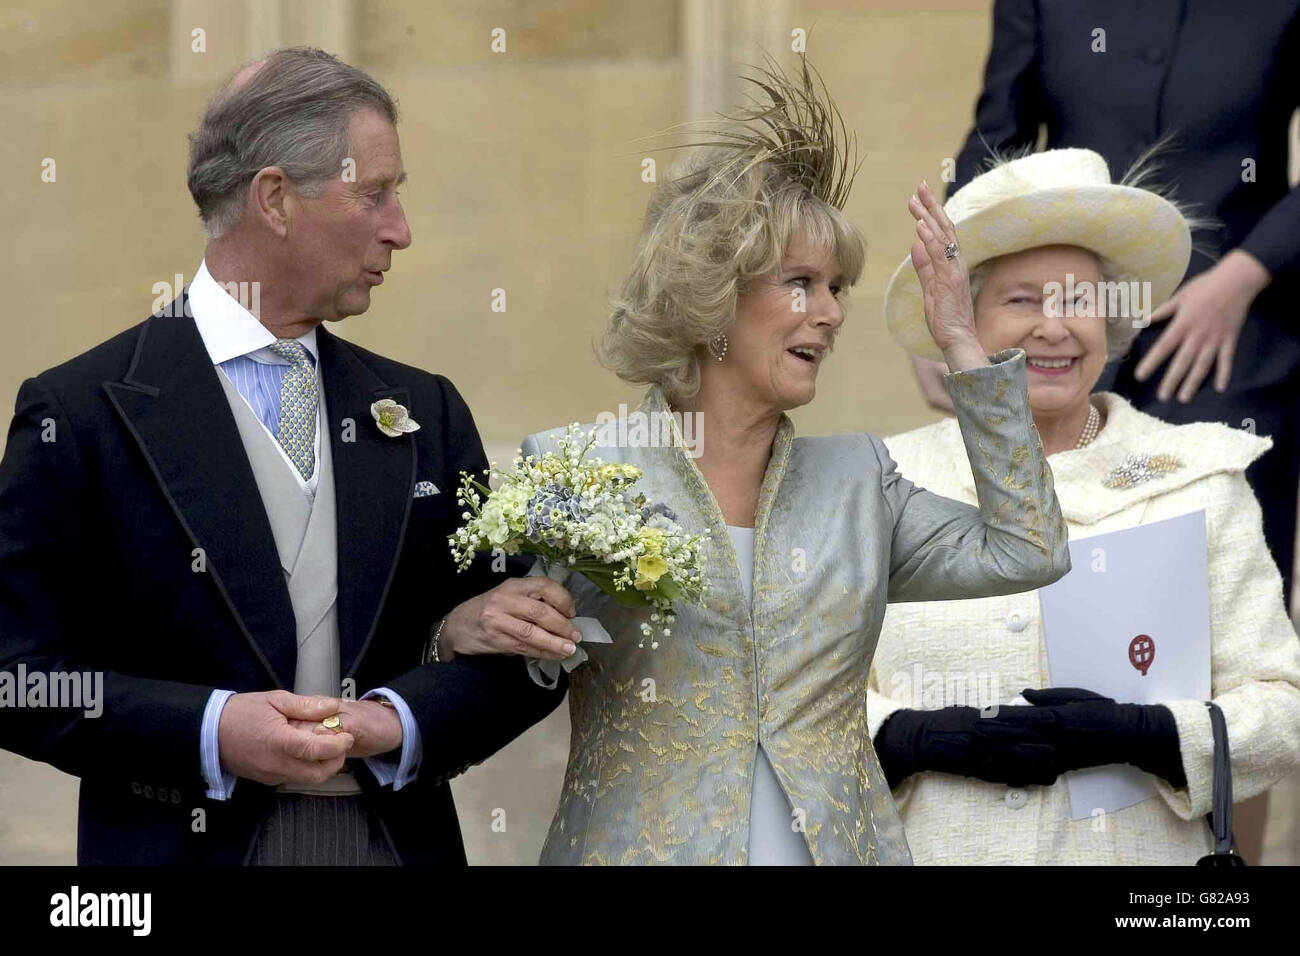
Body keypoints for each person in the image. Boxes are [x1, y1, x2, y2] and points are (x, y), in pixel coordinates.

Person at [442, 60, 1070, 865]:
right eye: (802, 283)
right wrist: (461, 630)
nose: (834, 313)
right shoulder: (575, 470)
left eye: (838, 287)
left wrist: (962, 345)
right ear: (712, 298)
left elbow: (1030, 548)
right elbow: (491, 668)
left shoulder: (859, 483)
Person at [0, 48, 574, 865]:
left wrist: (399, 719)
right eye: (374, 193)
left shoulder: (426, 411)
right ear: (275, 198)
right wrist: (211, 730)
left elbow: (518, 655)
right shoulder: (81, 412)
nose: (400, 230)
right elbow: (17, 676)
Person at [869, 148, 1300, 864]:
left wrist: (1151, 734)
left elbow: (1283, 708)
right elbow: (801, 696)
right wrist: (910, 737)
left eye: (1078, 300)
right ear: (964, 318)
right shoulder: (886, 481)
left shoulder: (1197, 479)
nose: (1054, 327)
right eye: (1021, 299)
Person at [914, 0, 1300, 608]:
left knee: (1219, 594)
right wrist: (942, 304)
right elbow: (997, 139)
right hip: (1060, 330)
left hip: (1231, 340)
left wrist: (1245, 275)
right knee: (1045, 589)